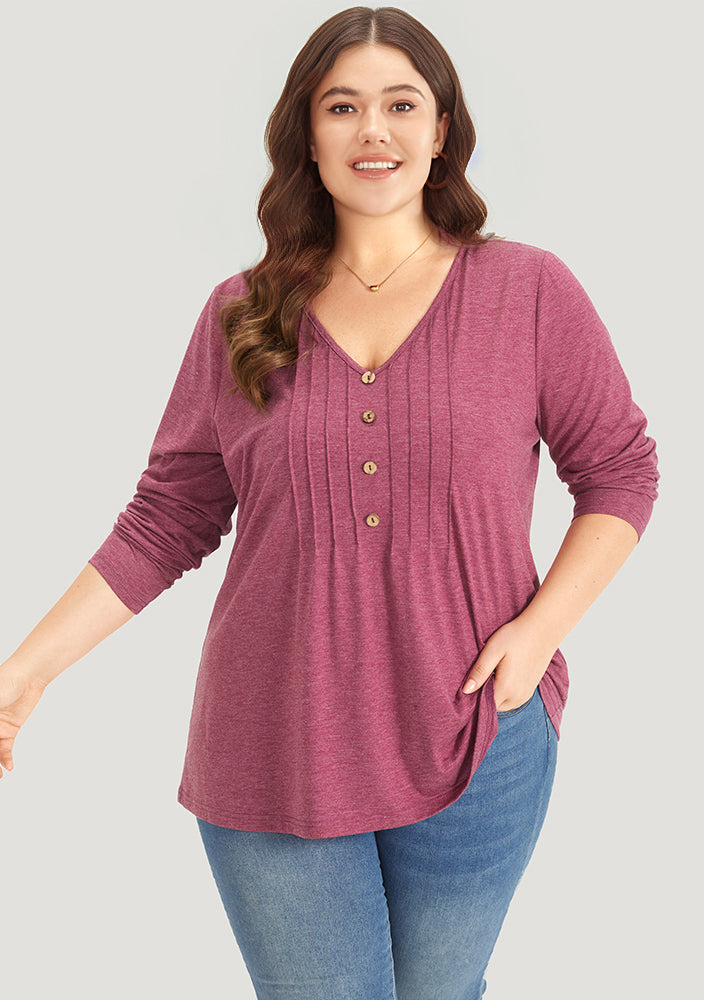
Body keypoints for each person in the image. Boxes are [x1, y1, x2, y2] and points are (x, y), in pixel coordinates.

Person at [0, 6, 659, 999]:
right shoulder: (242, 312)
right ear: (307, 135)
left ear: (442, 129)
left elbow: (619, 472)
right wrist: (23, 674)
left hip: (477, 730)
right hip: (276, 739)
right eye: (342, 106)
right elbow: (167, 519)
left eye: (402, 105)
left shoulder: (527, 290)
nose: (373, 130)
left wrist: (537, 635)